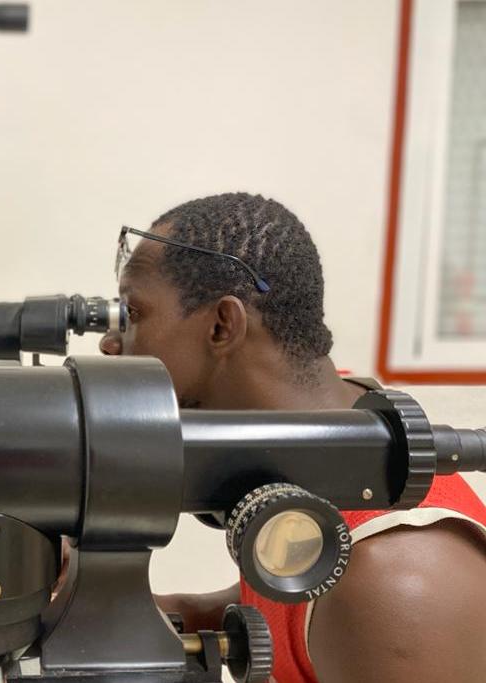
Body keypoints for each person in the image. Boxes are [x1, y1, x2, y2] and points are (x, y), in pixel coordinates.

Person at [100, 193, 486, 683]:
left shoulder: (395, 581)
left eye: (133, 314)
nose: (110, 342)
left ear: (223, 325)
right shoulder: (315, 435)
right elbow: (291, 609)